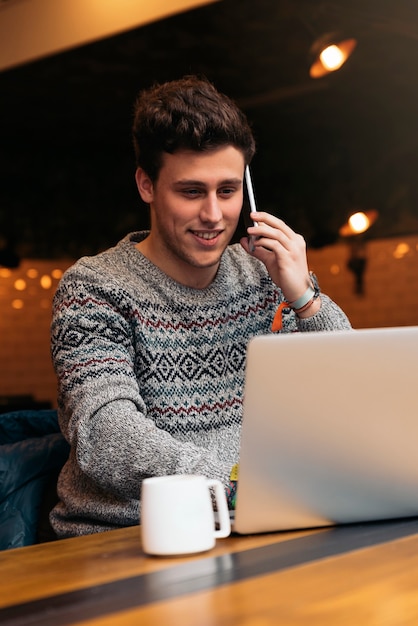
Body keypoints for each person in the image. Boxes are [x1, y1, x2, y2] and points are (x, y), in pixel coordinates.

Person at [50, 75, 351, 538]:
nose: (213, 215)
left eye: (228, 191)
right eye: (192, 192)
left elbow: (348, 398)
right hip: (126, 536)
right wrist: (232, 486)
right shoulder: (93, 287)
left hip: (254, 525)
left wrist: (305, 298)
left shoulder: (264, 276)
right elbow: (103, 432)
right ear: (146, 185)